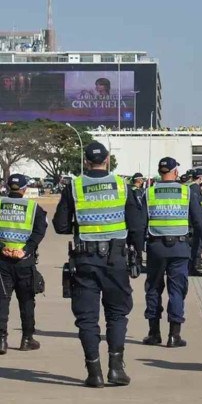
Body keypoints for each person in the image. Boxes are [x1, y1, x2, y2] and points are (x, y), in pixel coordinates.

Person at [53, 141, 136, 387]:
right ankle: (116, 369)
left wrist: (81, 224)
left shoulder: (74, 186)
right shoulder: (122, 185)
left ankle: (94, 372)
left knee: (88, 318)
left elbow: (60, 225)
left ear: (86, 161)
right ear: (107, 160)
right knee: (117, 314)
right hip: (116, 259)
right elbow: (136, 222)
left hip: (85, 260)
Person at [143, 157, 202, 348]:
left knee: (153, 289)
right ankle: (174, 335)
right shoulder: (186, 191)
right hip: (180, 248)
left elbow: (141, 223)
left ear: (160, 172)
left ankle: (154, 333)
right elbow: (199, 221)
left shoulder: (149, 193)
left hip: (155, 248)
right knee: (177, 290)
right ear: (174, 172)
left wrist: (136, 247)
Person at [0, 174, 47, 355]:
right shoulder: (34, 208)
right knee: (27, 300)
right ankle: (27, 339)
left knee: (2, 300)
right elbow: (39, 232)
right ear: (25, 189)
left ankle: (1, 340)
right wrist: (26, 249)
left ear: (7, 186)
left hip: (2, 260)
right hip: (24, 262)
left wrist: (3, 247)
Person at [126, 173, 146, 271]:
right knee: (138, 245)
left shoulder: (127, 190)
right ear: (139, 180)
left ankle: (130, 262)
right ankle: (138, 264)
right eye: (142, 179)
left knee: (130, 243)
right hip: (138, 222)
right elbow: (141, 205)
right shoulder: (139, 192)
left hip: (128, 222)